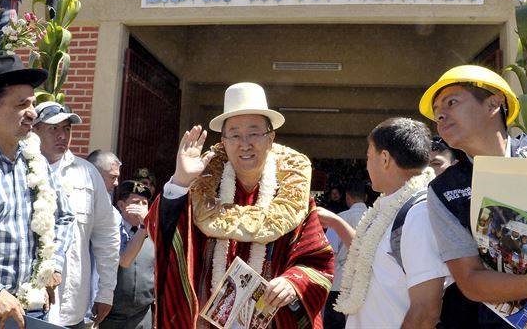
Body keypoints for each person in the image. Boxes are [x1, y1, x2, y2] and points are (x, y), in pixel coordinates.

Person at [145, 82, 334, 328]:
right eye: (234, 134)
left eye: (254, 133)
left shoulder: (292, 199)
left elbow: (317, 260)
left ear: (271, 138)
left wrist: (293, 282)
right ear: (223, 141)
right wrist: (181, 181)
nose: (244, 143)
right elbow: (162, 235)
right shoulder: (203, 192)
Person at [417, 64, 527, 327]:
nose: (440, 116)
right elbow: (470, 280)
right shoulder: (444, 191)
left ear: (493, 103)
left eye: (451, 102)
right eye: (437, 113)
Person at [0, 55, 75, 328]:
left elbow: (64, 216)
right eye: (23, 104)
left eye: (33, 103)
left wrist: (52, 263)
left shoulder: (35, 160)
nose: (33, 112)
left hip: (31, 312)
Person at [318, 118, 449, 329]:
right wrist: (337, 223)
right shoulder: (387, 207)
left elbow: (425, 311)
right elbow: (372, 256)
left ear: (385, 159)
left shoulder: (419, 213)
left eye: (369, 157)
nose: (367, 166)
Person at [33, 101, 120, 329]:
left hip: (72, 309)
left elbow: (107, 236)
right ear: (34, 129)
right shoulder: (17, 169)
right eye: (53, 128)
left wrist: (105, 293)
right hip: (25, 305)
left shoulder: (87, 174)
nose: (62, 135)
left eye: (67, 129)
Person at [101, 180, 154, 329]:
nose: (141, 208)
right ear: (121, 205)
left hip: (142, 315)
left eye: (145, 203)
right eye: (136, 202)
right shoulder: (111, 230)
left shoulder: (154, 234)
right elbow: (123, 260)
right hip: (111, 314)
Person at [322, 181, 367, 329]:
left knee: (335, 324)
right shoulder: (376, 218)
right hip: (366, 280)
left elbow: (329, 251)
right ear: (365, 197)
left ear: (347, 197)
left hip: (339, 281)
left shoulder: (340, 218)